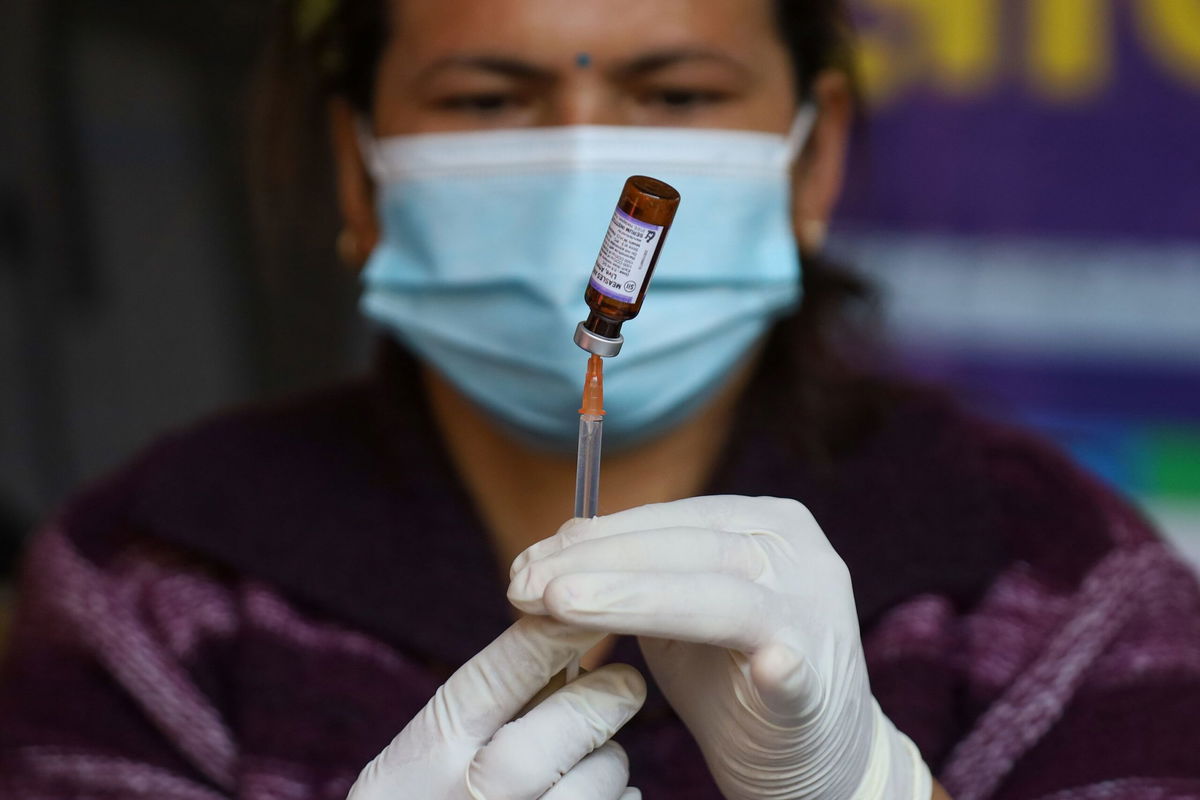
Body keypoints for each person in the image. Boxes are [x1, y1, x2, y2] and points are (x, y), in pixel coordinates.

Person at [2, 0, 1200, 798]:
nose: (585, 161)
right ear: (357, 167)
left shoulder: (1055, 580)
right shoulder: (154, 581)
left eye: (675, 97)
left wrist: (870, 785)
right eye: (484, 100)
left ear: (813, 157)